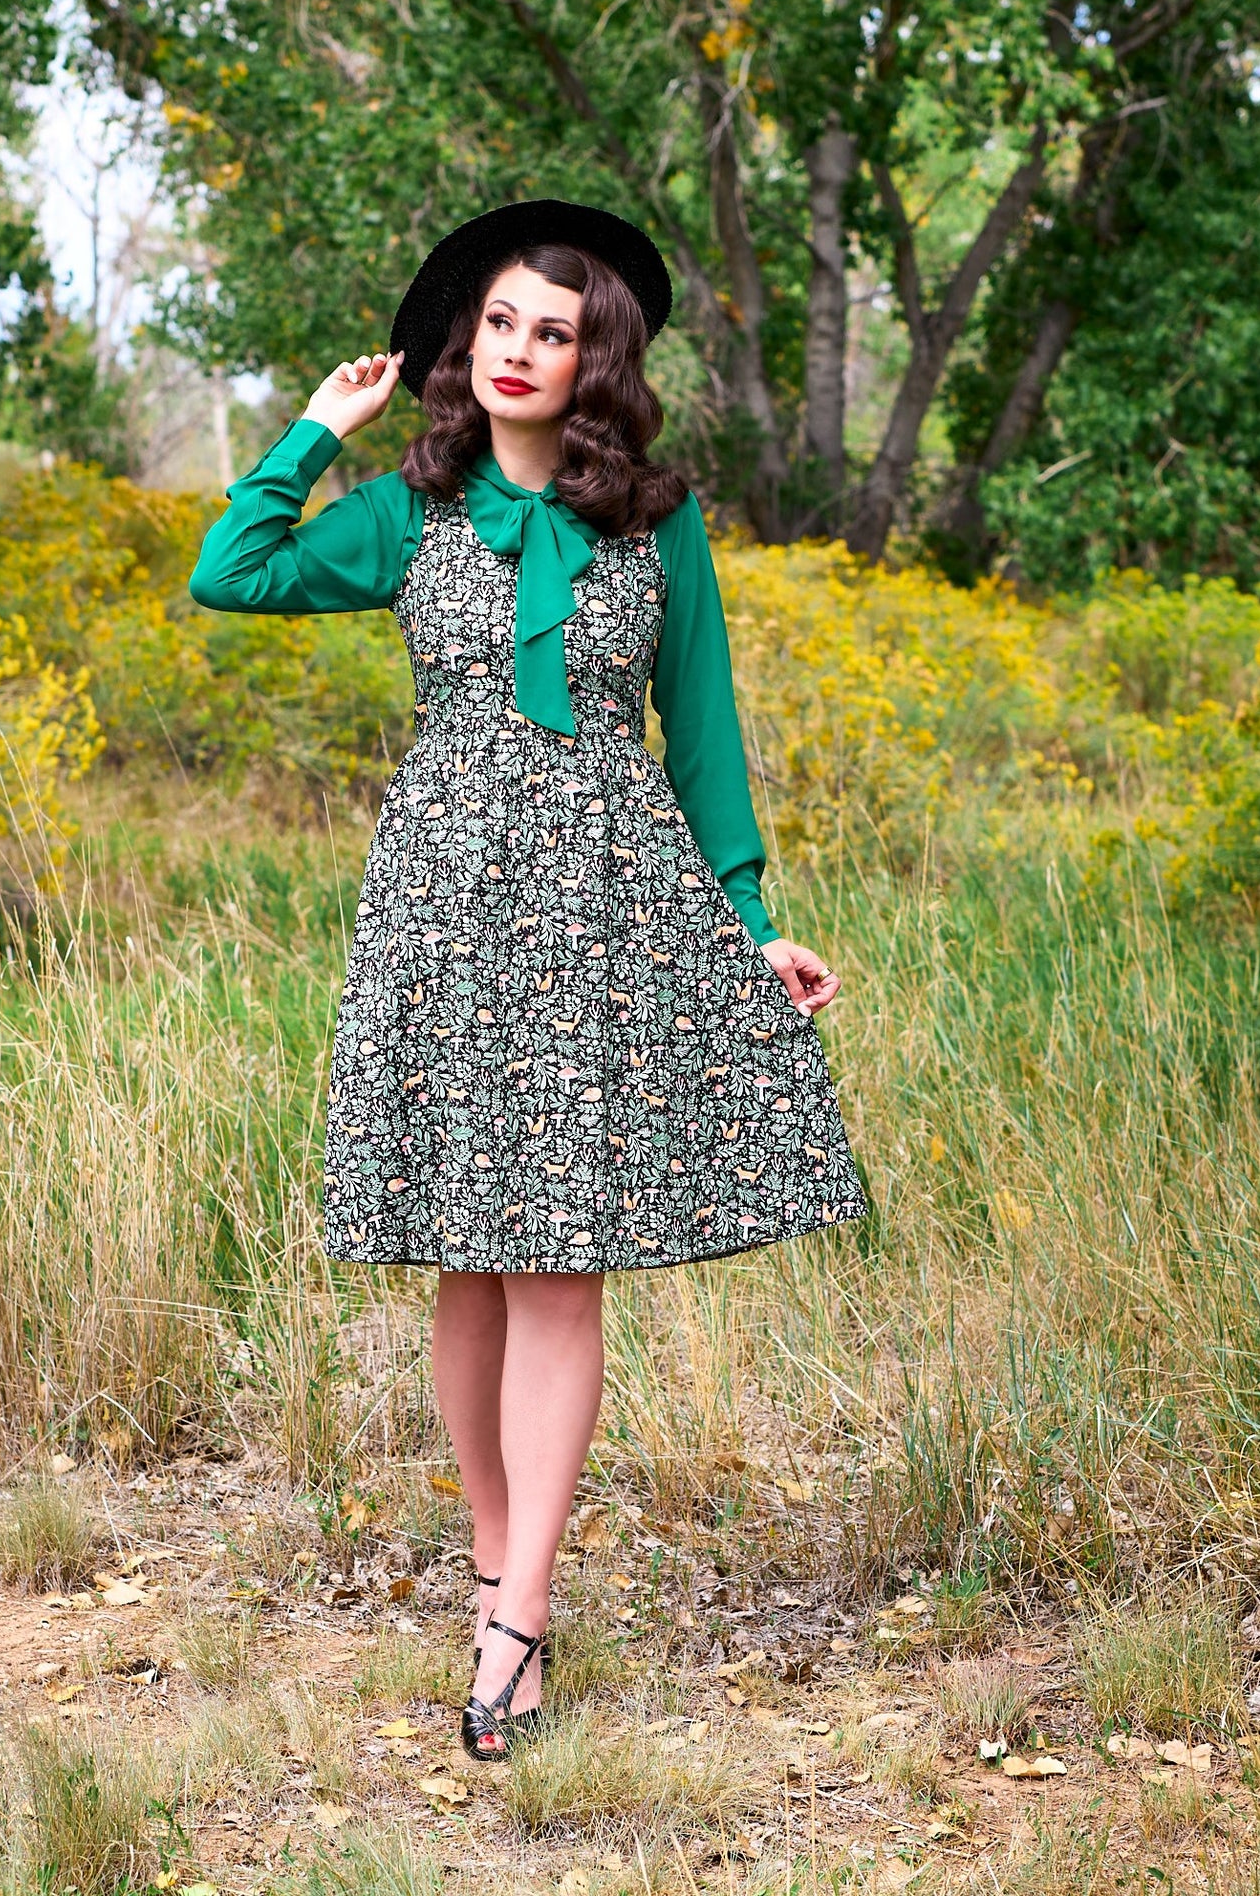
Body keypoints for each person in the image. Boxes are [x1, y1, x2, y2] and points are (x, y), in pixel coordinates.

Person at [189, 199, 869, 1761]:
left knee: (559, 1260)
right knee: (466, 1257)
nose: (518, 351)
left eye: (551, 331)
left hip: (604, 908)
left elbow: (698, 722)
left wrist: (750, 911)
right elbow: (232, 573)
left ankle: (518, 1618)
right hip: (439, 903)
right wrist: (310, 428)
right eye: (498, 323)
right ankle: (495, 1569)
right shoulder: (403, 510)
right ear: (464, 339)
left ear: (594, 360)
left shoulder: (653, 517)